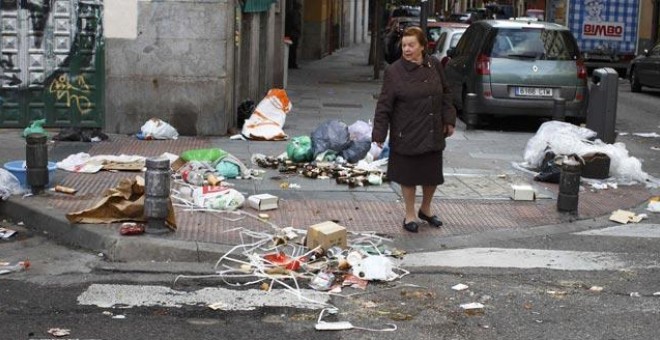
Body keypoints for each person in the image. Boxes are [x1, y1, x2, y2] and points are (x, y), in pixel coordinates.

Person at [372, 26, 457, 233]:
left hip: (431, 128)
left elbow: (445, 93)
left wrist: (449, 119)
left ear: (422, 46)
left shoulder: (435, 65)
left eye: (411, 45)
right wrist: (379, 135)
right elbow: (384, 105)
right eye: (404, 45)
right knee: (408, 176)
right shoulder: (394, 71)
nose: (407, 49)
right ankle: (409, 214)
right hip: (407, 131)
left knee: (432, 175)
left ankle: (425, 209)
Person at [285, 1, 302, 69]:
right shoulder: (296, 14)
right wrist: (298, 30)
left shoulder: (290, 13)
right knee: (293, 50)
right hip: (294, 35)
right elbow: (295, 24)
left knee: (289, 49)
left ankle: (289, 63)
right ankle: (292, 64)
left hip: (288, 34)